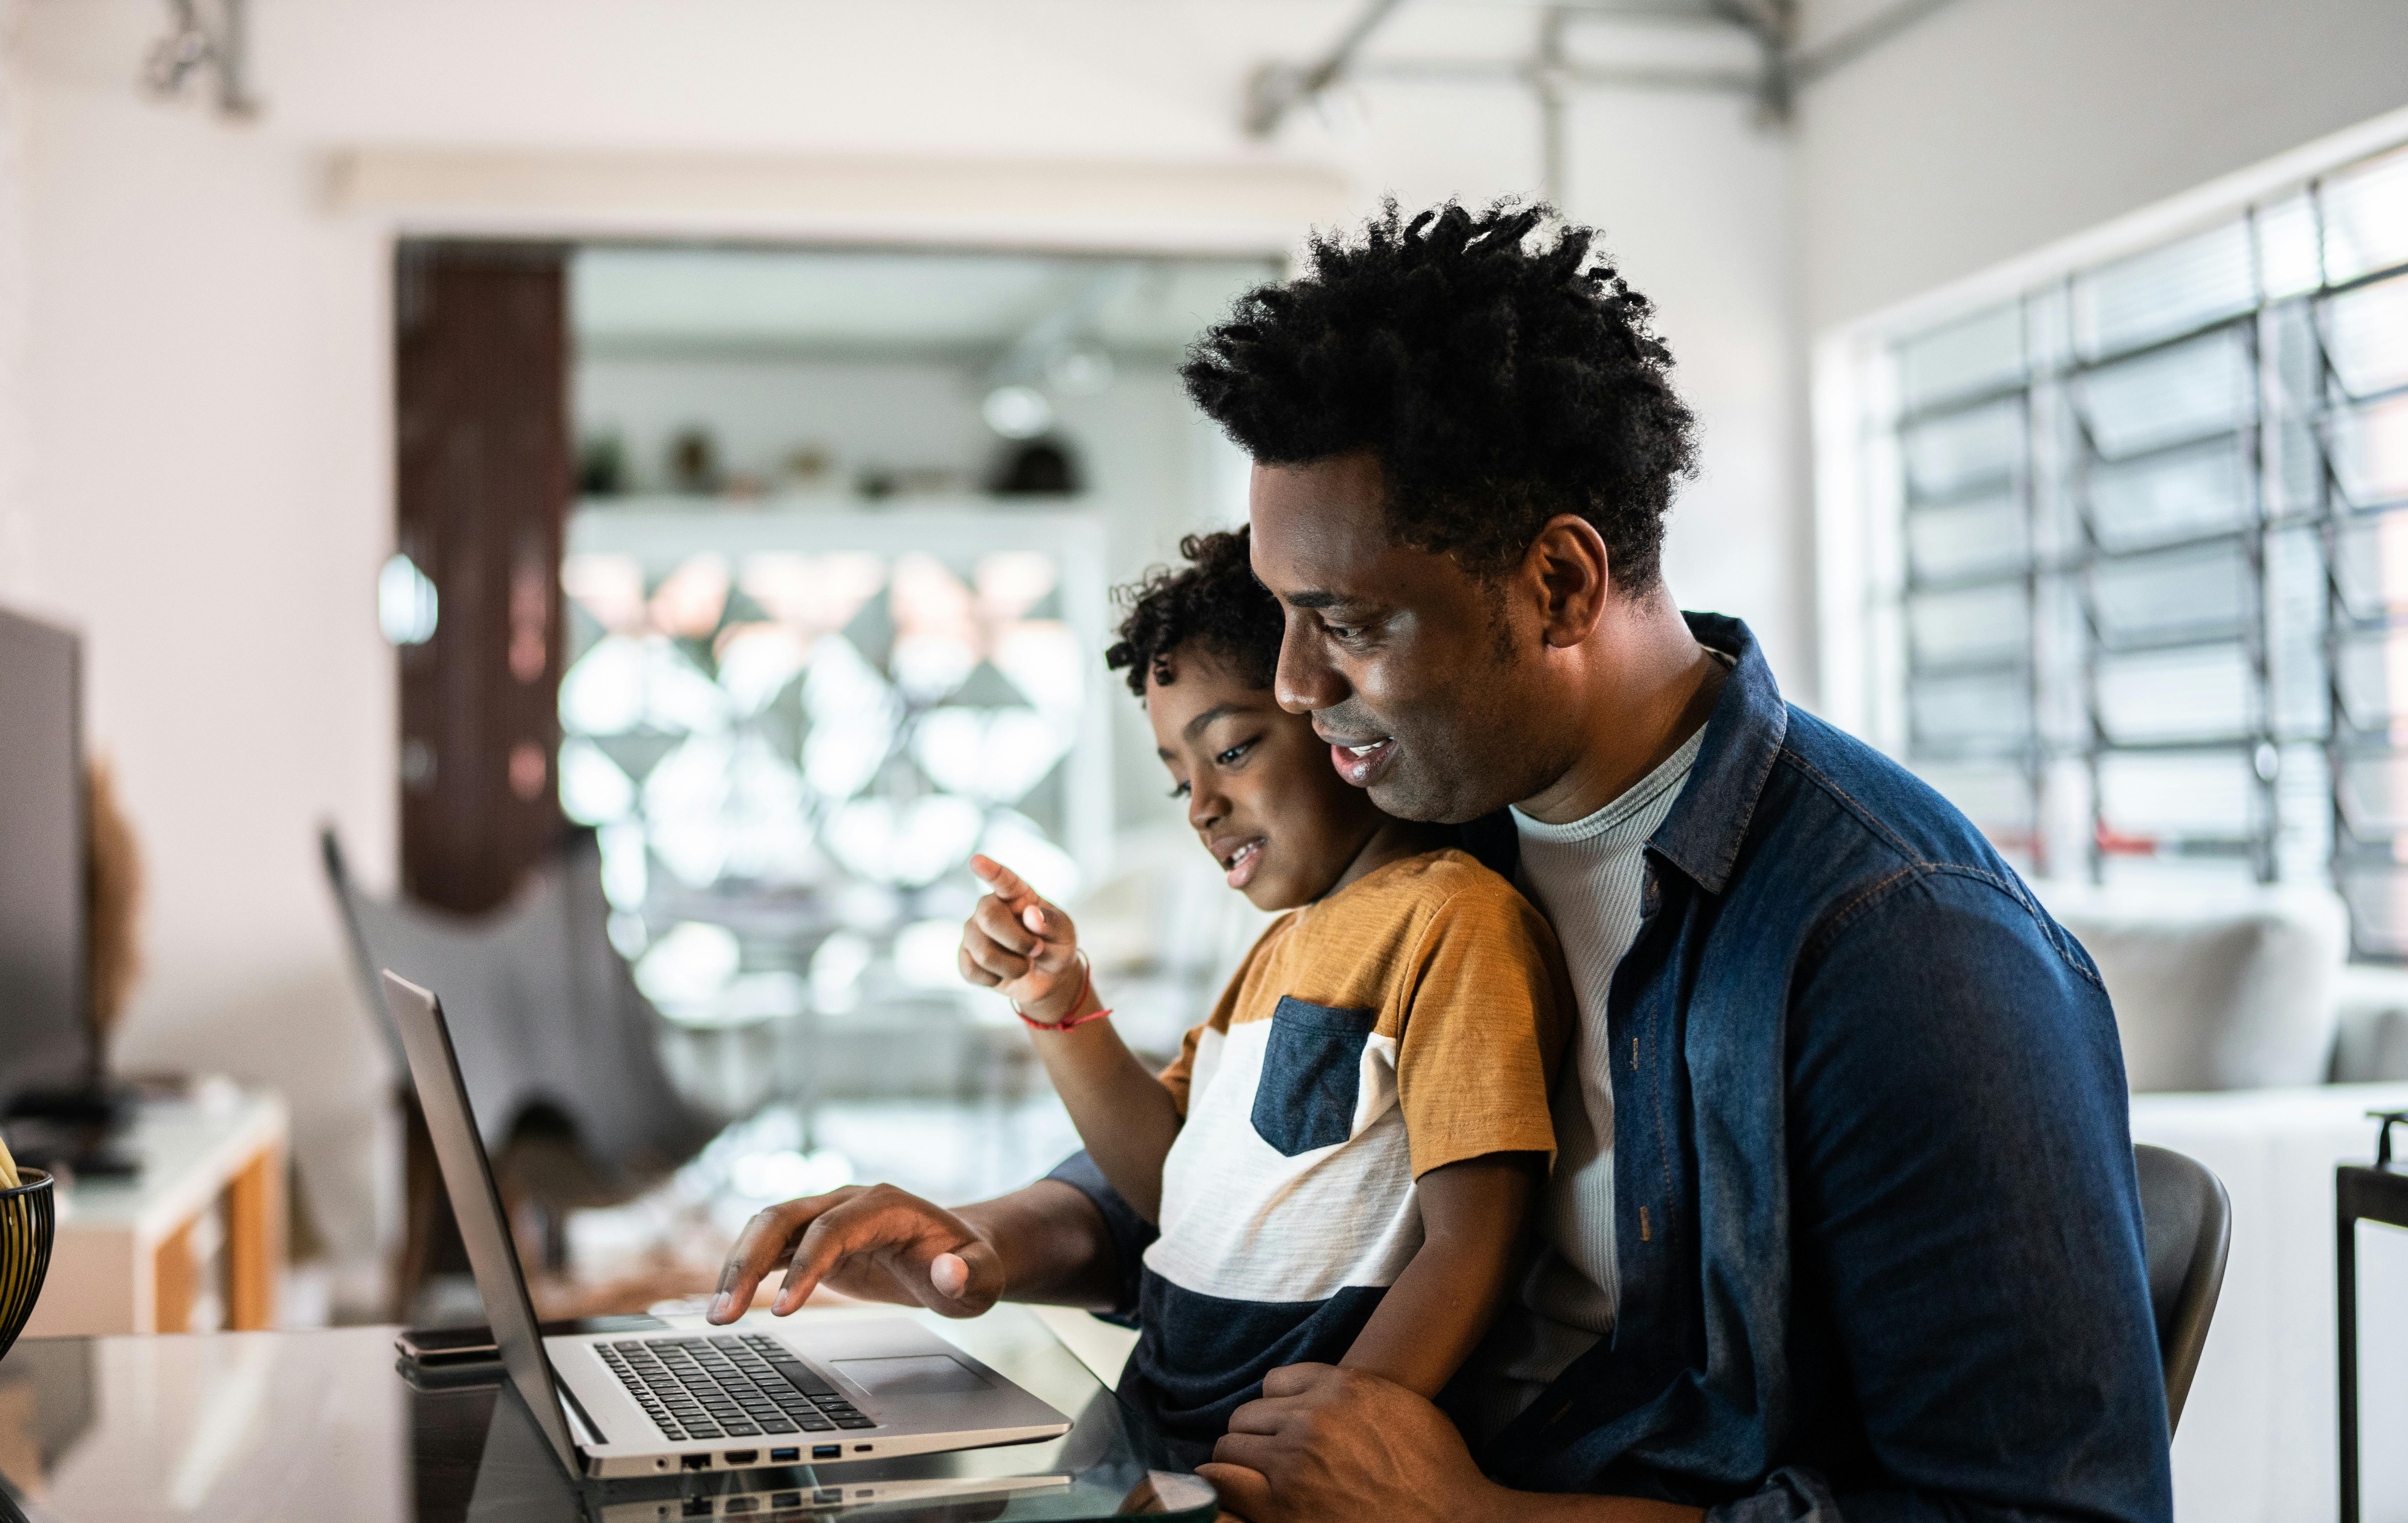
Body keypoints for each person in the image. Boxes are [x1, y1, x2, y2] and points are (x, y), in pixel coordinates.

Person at [707, 200, 2171, 1523]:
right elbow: (1248, 1168)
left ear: (1558, 583)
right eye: (1282, 615)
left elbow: (2046, 1516)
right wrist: (983, 1238)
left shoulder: (1897, 945)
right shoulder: (1424, 824)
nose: (1287, 687)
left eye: (1344, 623)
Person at [947, 528, 1571, 1467]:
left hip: (1275, 1463)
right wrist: (1056, 1001)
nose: (1200, 804)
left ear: (1335, 713)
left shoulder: (1453, 919)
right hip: (1150, 1425)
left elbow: (1476, 1240)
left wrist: (1340, 1435)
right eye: (1178, 783)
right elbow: (1171, 1184)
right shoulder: (1276, 951)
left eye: (1232, 751)